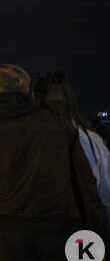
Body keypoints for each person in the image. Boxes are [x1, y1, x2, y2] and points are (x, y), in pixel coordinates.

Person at [0, 64, 104, 261]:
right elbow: (85, 184)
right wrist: (95, 230)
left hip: (8, 230)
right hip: (60, 228)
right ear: (27, 90)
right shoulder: (59, 125)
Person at [37, 68, 110, 235]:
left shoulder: (28, 141)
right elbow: (106, 193)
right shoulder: (91, 140)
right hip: (83, 227)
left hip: (39, 233)